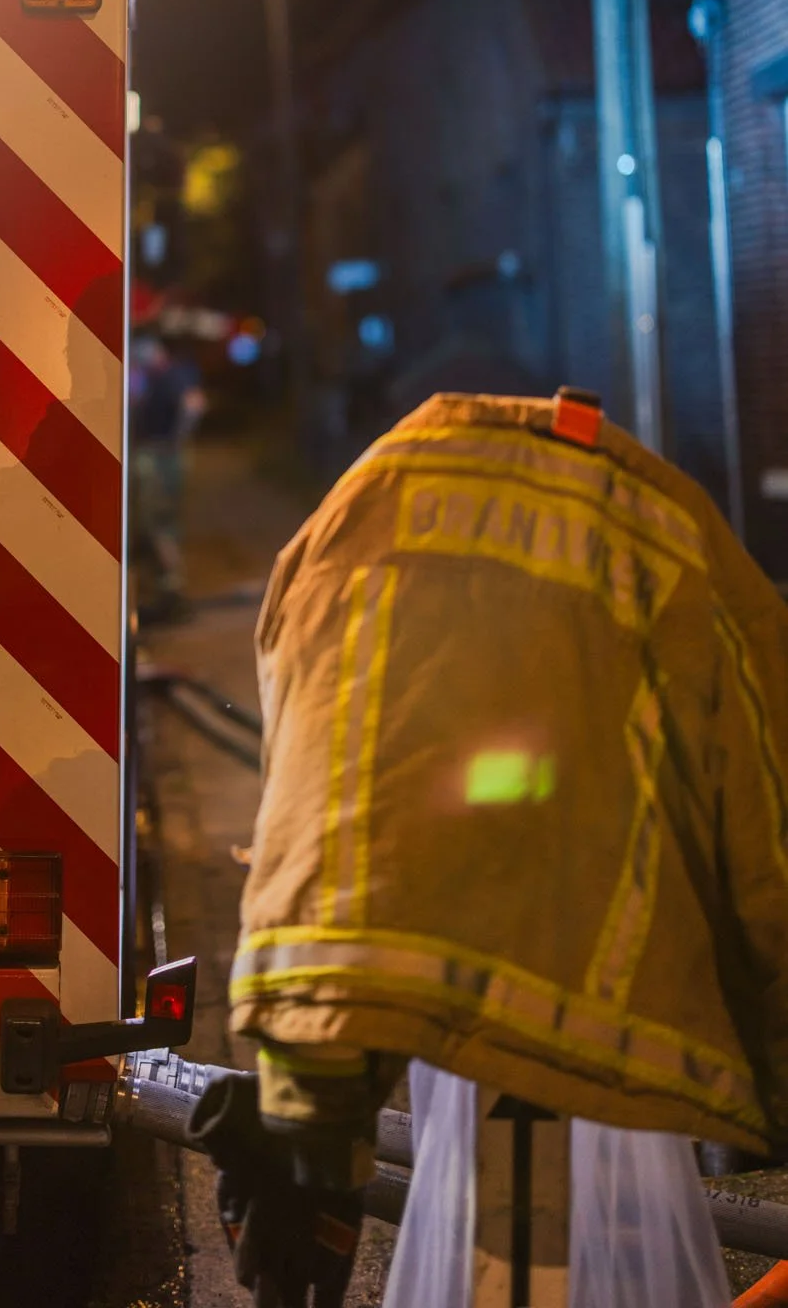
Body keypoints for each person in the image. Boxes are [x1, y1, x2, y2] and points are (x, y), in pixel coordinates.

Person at [193, 387, 788, 1307]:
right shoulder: (669, 532)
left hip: (376, 979)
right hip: (601, 996)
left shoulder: (350, 521)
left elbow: (307, 818)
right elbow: (763, 833)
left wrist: (312, 1131)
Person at [129, 329, 206, 621]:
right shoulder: (155, 375)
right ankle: (166, 588)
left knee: (159, 523)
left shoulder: (171, 375)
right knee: (156, 523)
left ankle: (171, 589)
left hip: (160, 456)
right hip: (158, 454)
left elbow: (194, 404)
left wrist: (175, 440)